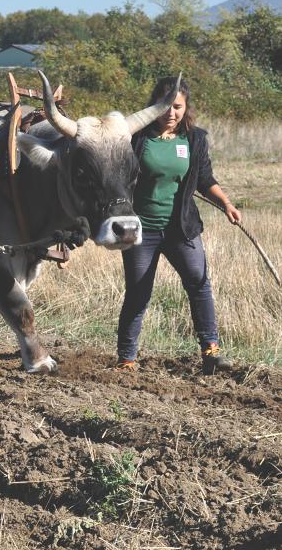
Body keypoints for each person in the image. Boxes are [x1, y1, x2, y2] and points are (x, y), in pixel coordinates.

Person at [117, 76, 241, 374]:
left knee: (199, 283)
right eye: (165, 107)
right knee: (138, 292)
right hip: (141, 231)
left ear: (185, 108)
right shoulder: (138, 138)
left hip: (180, 229)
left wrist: (226, 204)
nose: (171, 113)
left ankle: (211, 352)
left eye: (177, 107)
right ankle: (126, 359)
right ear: (153, 108)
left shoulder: (195, 139)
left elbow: (204, 179)